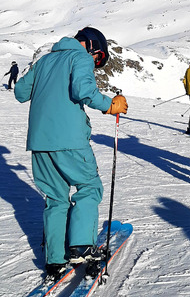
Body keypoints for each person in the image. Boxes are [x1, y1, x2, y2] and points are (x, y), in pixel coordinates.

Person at [14, 26, 128, 280]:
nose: (95, 63)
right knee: (89, 187)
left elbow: (21, 92)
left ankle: (55, 260)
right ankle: (80, 246)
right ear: (90, 46)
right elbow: (83, 91)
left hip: (39, 142)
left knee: (56, 199)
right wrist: (111, 105)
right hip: (69, 140)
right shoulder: (79, 57)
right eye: (98, 57)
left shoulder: (44, 60)